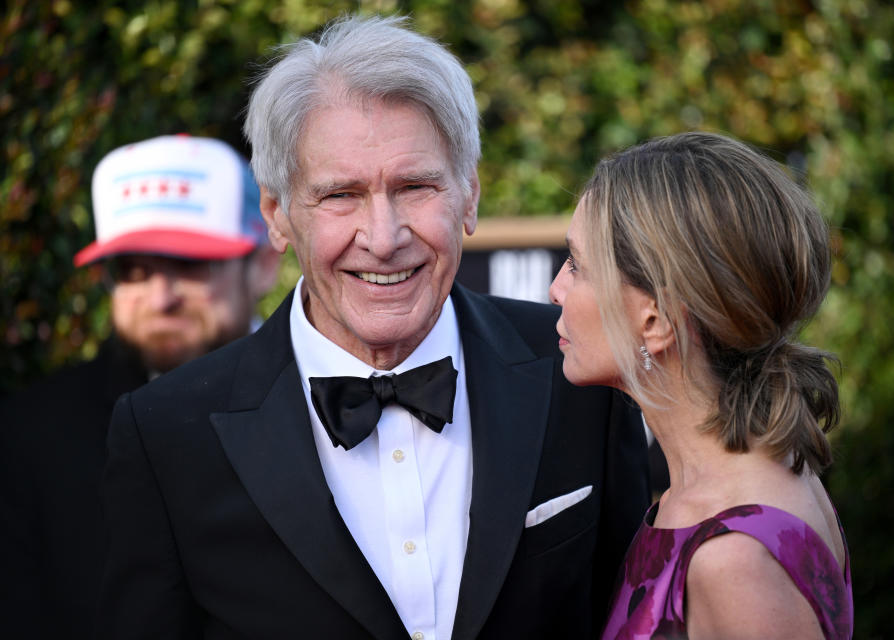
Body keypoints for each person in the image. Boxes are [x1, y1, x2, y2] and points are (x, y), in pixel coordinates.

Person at [95, 15, 649, 640]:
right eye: (340, 195)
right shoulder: (167, 434)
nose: (383, 238)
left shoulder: (578, 374)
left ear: (469, 195)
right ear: (277, 215)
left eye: (414, 186)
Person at [549, 131, 854, 639]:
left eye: (578, 266)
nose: (557, 288)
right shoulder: (711, 490)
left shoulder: (735, 559)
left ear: (657, 321)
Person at [0, 134, 280, 640]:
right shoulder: (29, 436)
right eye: (132, 270)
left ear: (262, 265)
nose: (161, 296)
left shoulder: (339, 404)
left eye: (191, 264)